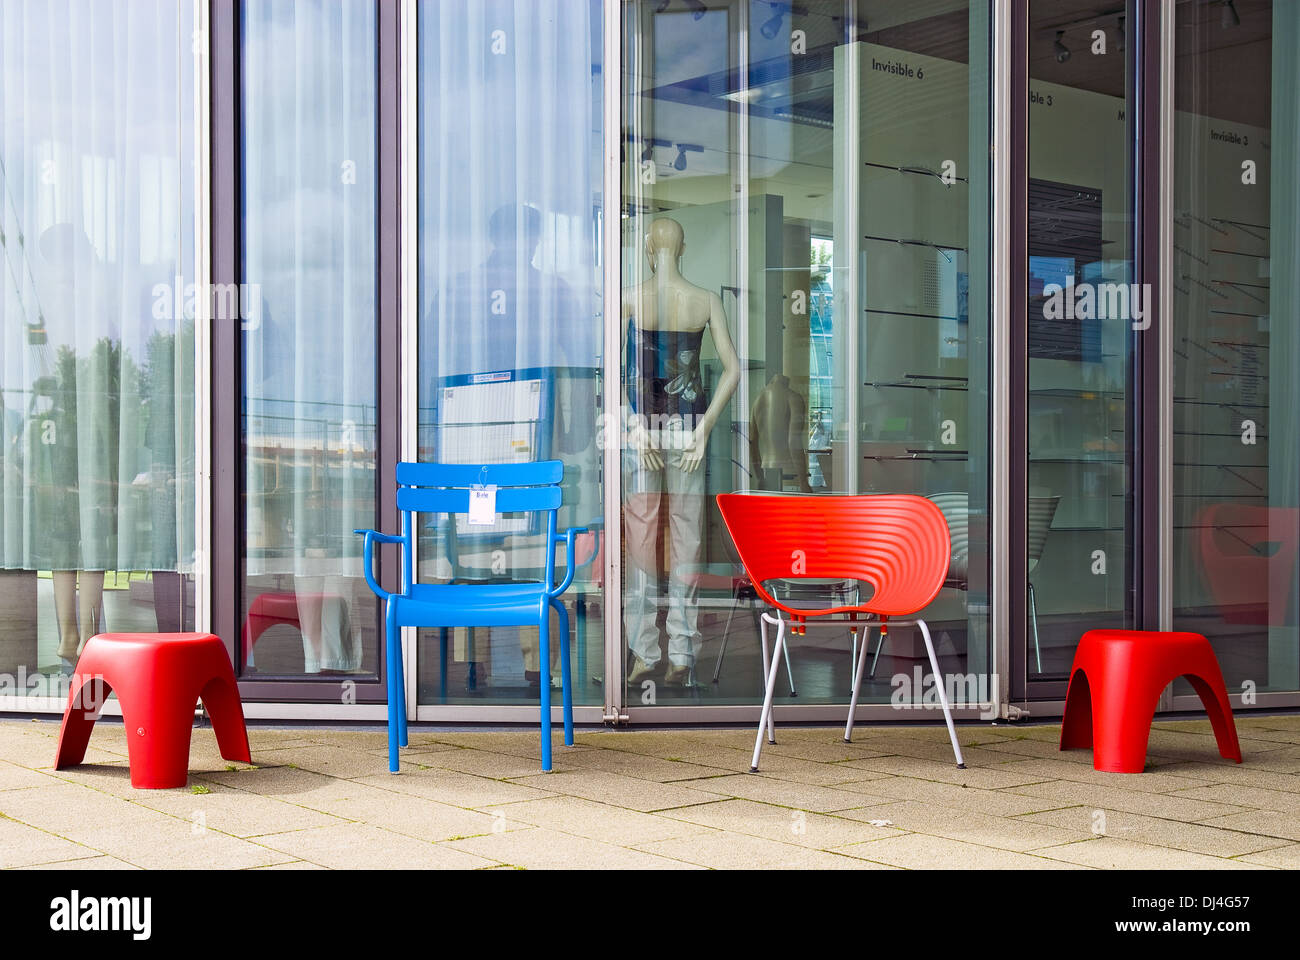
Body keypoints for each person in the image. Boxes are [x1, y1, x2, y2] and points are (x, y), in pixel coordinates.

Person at [622, 217, 740, 686]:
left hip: (645, 432)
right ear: (683, 247)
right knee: (686, 534)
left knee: (643, 536)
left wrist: (634, 426)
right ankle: (682, 651)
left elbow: (611, 371)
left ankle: (644, 651)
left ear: (650, 247)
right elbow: (732, 371)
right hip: (689, 427)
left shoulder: (630, 296)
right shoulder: (705, 299)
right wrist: (705, 428)